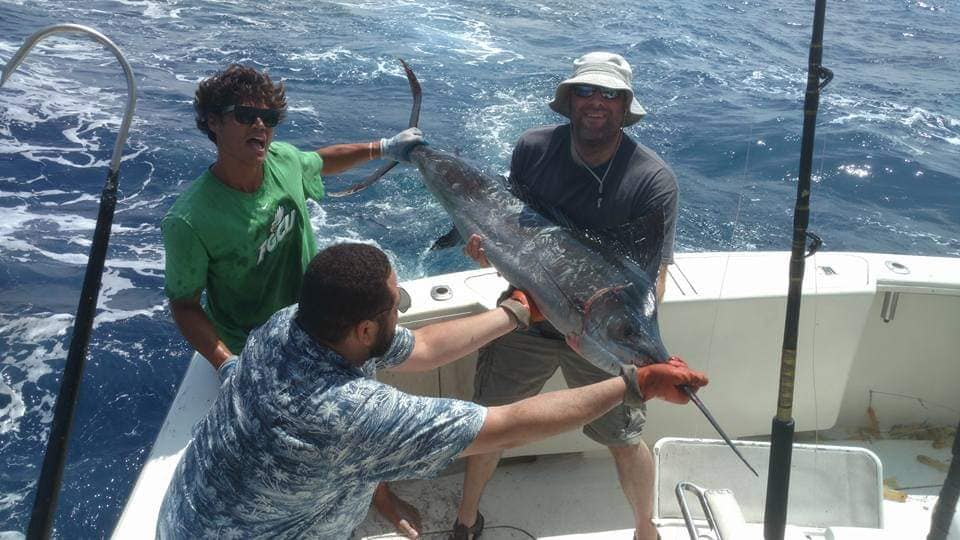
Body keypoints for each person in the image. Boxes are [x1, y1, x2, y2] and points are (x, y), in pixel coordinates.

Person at [156, 243, 707, 539]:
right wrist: (635, 382)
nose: (403, 309)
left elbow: (420, 349)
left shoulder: (290, 324)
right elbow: (506, 424)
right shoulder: (346, 414)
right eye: (396, 304)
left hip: (187, 516)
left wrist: (515, 312)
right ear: (366, 329)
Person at [161, 64, 425, 536]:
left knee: (360, 423)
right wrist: (226, 363)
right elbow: (183, 304)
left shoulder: (282, 160)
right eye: (245, 114)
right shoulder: (190, 218)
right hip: (253, 349)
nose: (260, 125)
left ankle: (378, 494)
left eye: (269, 117)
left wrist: (384, 148)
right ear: (213, 123)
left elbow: (319, 161)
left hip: (321, 326)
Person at [455, 52, 680, 540]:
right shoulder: (533, 148)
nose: (596, 103)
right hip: (528, 314)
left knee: (624, 437)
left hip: (604, 337)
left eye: (610, 95)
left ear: (625, 106)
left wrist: (628, 332)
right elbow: (511, 230)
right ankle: (465, 521)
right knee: (489, 424)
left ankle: (647, 530)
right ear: (569, 99)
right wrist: (486, 253)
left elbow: (654, 272)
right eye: (586, 92)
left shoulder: (652, 180)